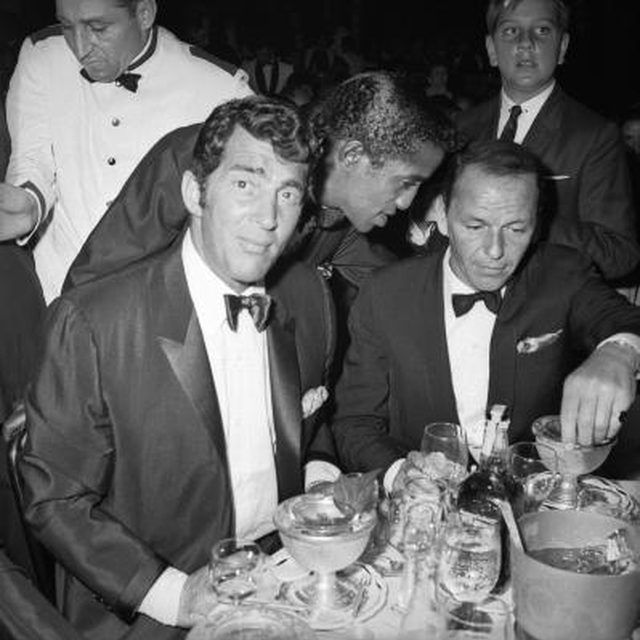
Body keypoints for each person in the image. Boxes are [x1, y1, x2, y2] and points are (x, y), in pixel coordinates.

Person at [18, 96, 336, 639]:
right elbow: (56, 497)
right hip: (152, 610)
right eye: (245, 184)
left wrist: (320, 483)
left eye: (287, 193)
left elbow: (316, 425)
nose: (268, 219)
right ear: (195, 192)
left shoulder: (307, 297)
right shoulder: (93, 324)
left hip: (282, 581)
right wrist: (174, 594)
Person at [331, 141, 640, 489]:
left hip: (534, 499)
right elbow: (355, 422)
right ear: (443, 217)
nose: (495, 251)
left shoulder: (562, 273)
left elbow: (624, 321)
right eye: (475, 227)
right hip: (429, 511)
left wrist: (618, 352)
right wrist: (397, 472)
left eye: (515, 229)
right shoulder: (385, 294)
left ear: (536, 225)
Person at [64, 71, 458, 297]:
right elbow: (93, 279)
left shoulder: (345, 219)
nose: (408, 202)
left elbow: (393, 289)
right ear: (352, 156)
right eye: (406, 182)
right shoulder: (197, 154)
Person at [1, 0, 250, 302]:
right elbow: (31, 159)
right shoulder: (42, 56)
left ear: (144, 13)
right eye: (67, 26)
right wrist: (27, 204)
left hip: (156, 303)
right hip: (57, 289)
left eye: (98, 28)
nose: (80, 48)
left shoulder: (221, 89)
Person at [455, 0, 639, 282]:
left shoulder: (594, 136)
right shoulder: (462, 129)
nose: (525, 43)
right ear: (492, 49)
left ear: (562, 47)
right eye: (510, 31)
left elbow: (618, 254)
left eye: (541, 30)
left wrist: (529, 223)